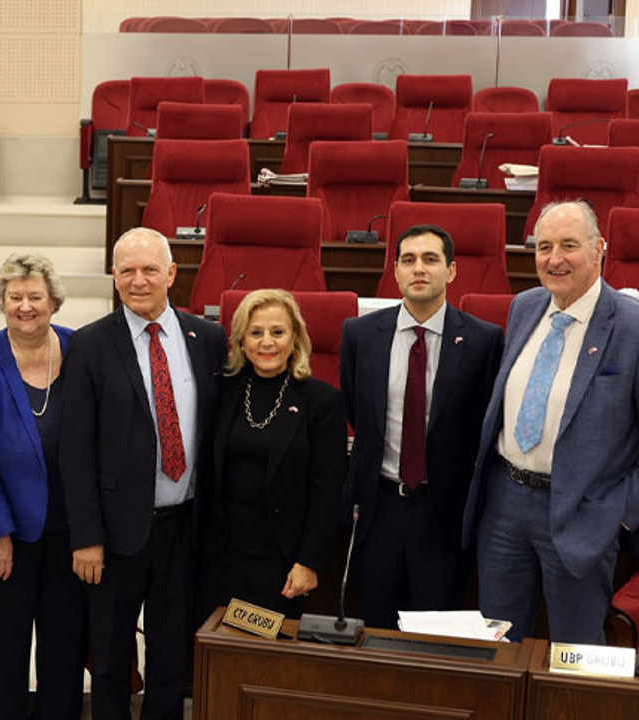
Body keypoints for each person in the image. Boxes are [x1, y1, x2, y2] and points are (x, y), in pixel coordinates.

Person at [61, 227, 225, 720]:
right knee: (110, 657)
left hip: (184, 526)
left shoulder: (208, 339)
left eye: (150, 269)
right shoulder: (89, 344)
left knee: (171, 653)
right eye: (126, 270)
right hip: (113, 534)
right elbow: (75, 450)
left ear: (172, 274)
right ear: (113, 277)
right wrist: (86, 537)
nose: (138, 280)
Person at [464, 200, 639, 643]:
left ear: (600, 248)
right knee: (499, 648)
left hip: (582, 516)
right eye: (544, 247)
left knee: (574, 657)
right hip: (504, 504)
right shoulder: (525, 306)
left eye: (568, 246)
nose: (554, 259)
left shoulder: (632, 326)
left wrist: (618, 514)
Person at [340, 225, 503, 629]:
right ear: (394, 271)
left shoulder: (484, 341)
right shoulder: (359, 335)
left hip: (443, 513)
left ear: (450, 271)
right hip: (378, 509)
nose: (419, 269)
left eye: (431, 259)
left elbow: (485, 427)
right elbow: (356, 413)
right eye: (408, 260)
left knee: (434, 636)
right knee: (374, 630)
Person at [0, 253, 86, 720]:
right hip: (2, 538)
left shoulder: (80, 349)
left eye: (35, 296)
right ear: (2, 302)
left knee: (64, 653)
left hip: (70, 534)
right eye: (15, 297)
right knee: (0, 656)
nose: (25, 306)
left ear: (53, 301)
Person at [199, 289, 346, 619]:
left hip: (282, 564)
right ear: (241, 341)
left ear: (295, 338)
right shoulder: (221, 391)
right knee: (219, 659)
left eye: (278, 332)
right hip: (221, 557)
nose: (267, 342)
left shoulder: (322, 402)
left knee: (268, 663)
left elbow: (327, 492)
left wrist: (309, 561)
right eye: (256, 333)